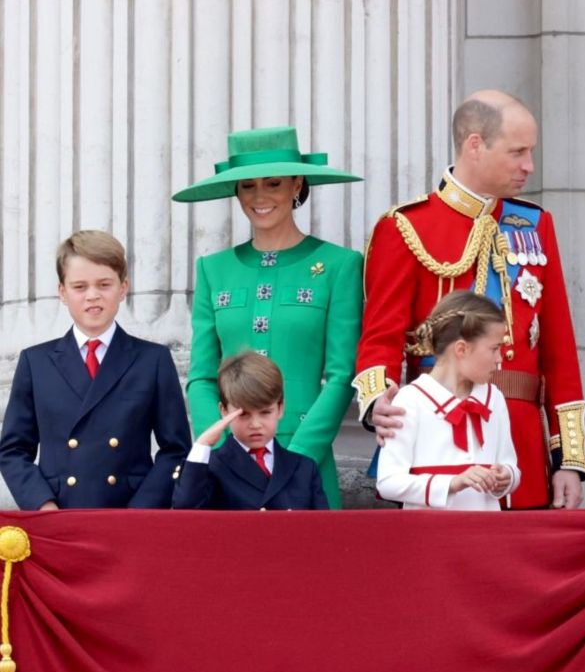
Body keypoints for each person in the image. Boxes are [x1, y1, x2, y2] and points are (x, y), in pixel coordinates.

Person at [353, 89, 585, 510]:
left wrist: (567, 458)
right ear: (474, 145)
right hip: (435, 441)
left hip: (521, 452)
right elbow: (380, 336)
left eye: (530, 152)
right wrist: (378, 403)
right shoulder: (406, 226)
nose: (528, 166)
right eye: (518, 151)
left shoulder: (536, 224)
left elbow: (559, 349)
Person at [172, 126, 363, 509]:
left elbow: (342, 374)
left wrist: (301, 454)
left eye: (273, 183)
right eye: (247, 186)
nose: (259, 197)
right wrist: (226, 446)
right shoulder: (213, 269)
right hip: (229, 466)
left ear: (296, 184)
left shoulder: (340, 266)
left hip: (306, 456)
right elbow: (202, 375)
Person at [0, 230, 192, 510]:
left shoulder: (153, 360)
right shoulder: (35, 362)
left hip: (130, 514)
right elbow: (13, 450)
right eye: (80, 287)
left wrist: (141, 510)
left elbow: (176, 450)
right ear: (62, 292)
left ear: (123, 288)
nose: (92, 296)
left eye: (104, 284)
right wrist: (42, 504)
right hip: (60, 514)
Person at [377, 291, 520, 510]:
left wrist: (507, 477)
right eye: (494, 349)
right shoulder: (411, 400)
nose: (500, 359)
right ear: (461, 349)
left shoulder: (495, 399)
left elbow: (509, 463)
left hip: (486, 536)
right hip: (429, 537)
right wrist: (451, 483)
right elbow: (388, 482)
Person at [173, 351, 328, 510]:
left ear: (280, 408)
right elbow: (186, 508)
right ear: (224, 410)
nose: (255, 424)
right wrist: (202, 444)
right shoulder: (212, 466)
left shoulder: (304, 468)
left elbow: (322, 528)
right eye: (244, 414)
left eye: (265, 412)